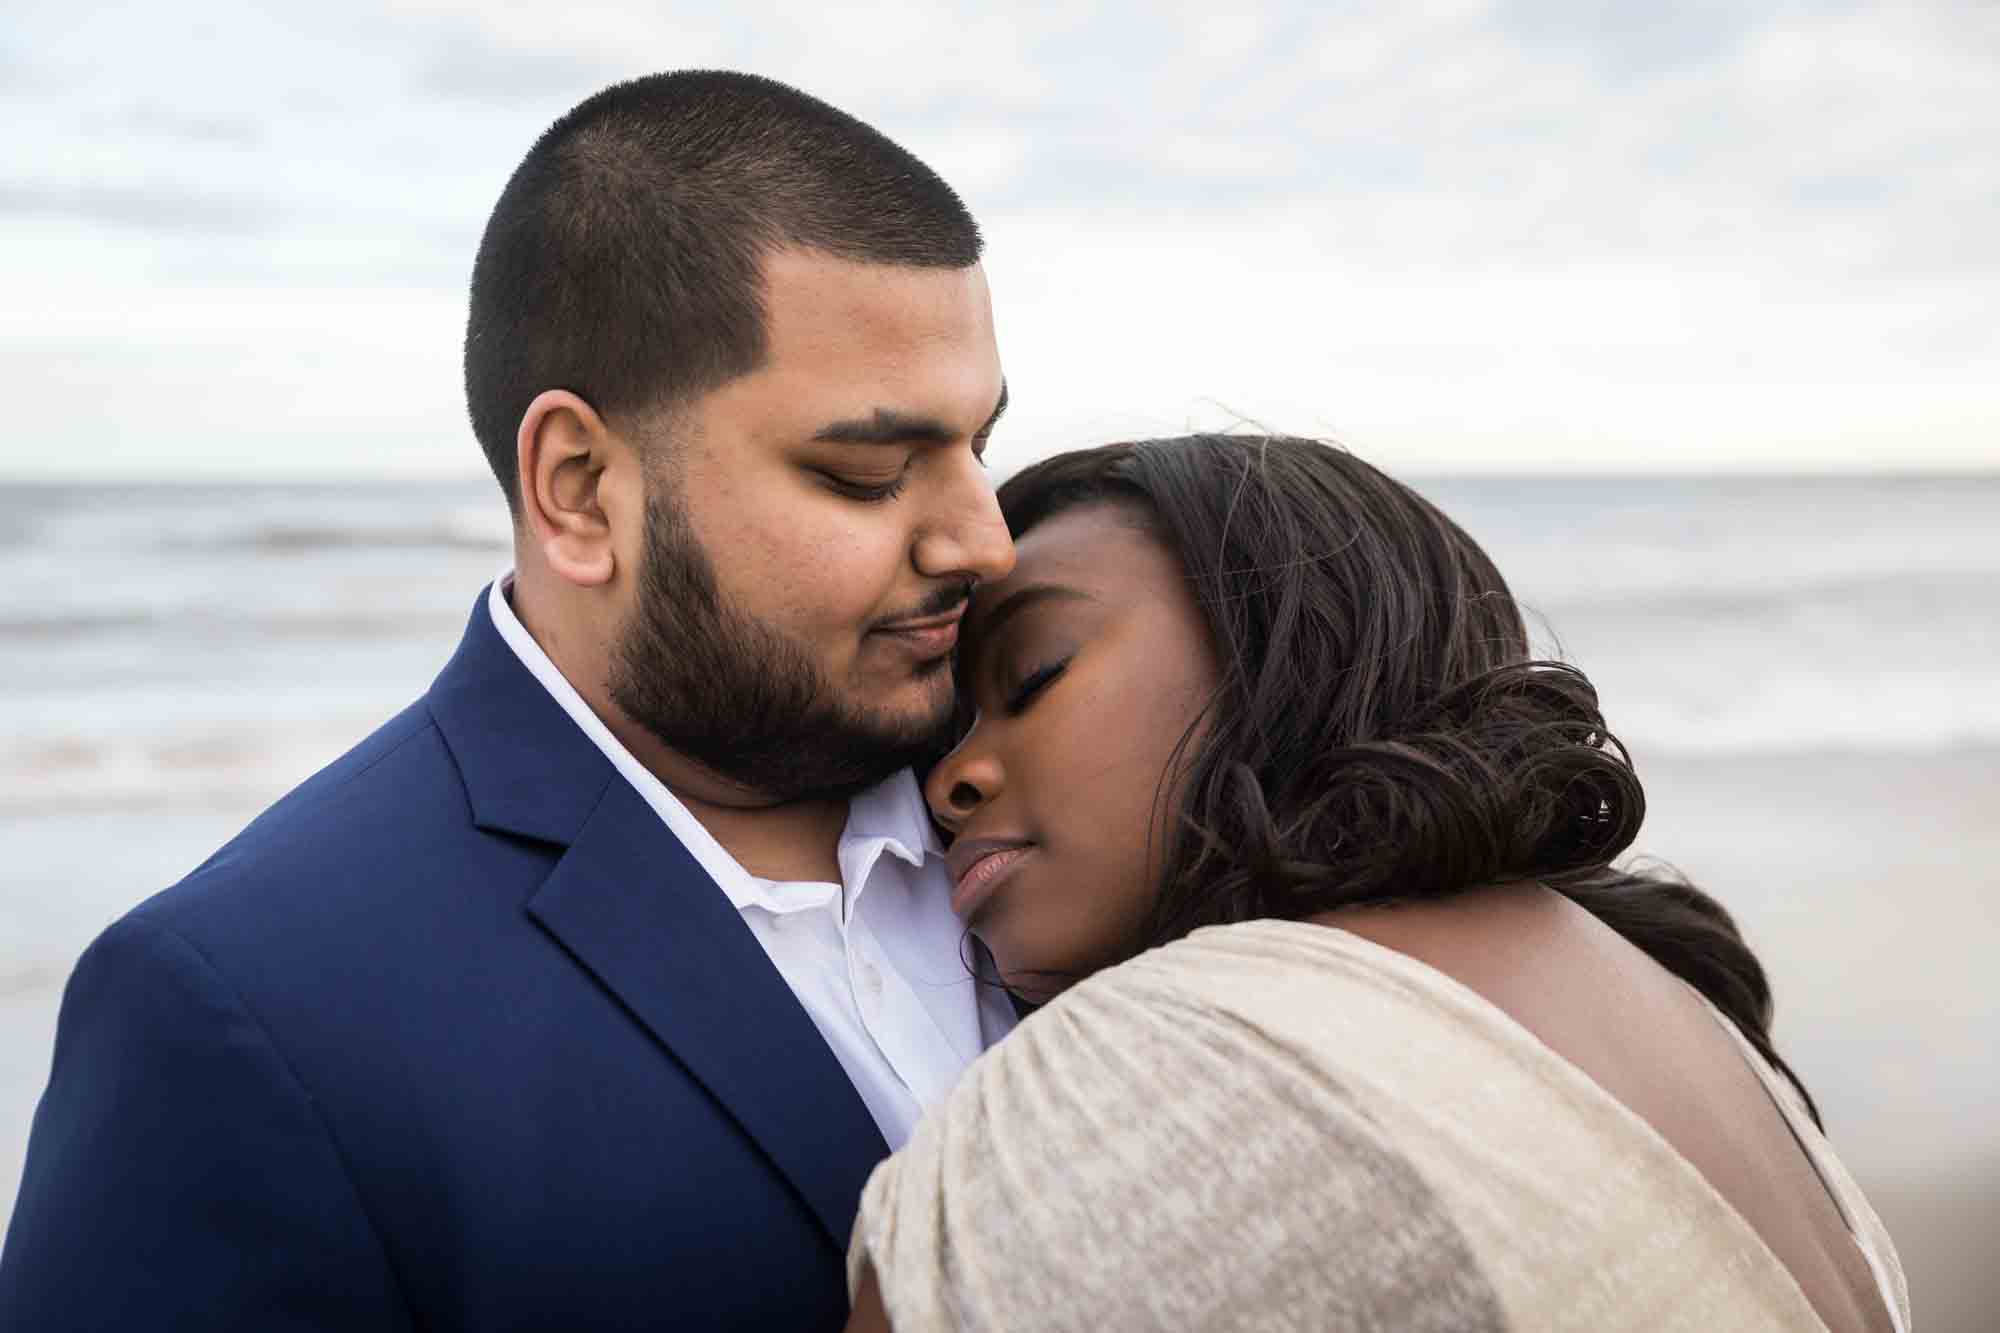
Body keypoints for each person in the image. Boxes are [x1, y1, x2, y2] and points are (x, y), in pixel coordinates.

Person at [1, 71, 1017, 1330]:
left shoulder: (1077, 798)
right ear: (580, 488)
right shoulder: (242, 1014)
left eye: (982, 448)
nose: (983, 541)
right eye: (867, 473)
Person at [846, 436, 1909, 1332]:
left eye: (1030, 675)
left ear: (1288, 650)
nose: (949, 780)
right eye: (951, 729)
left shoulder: (1179, 1049)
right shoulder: (1679, 1008)